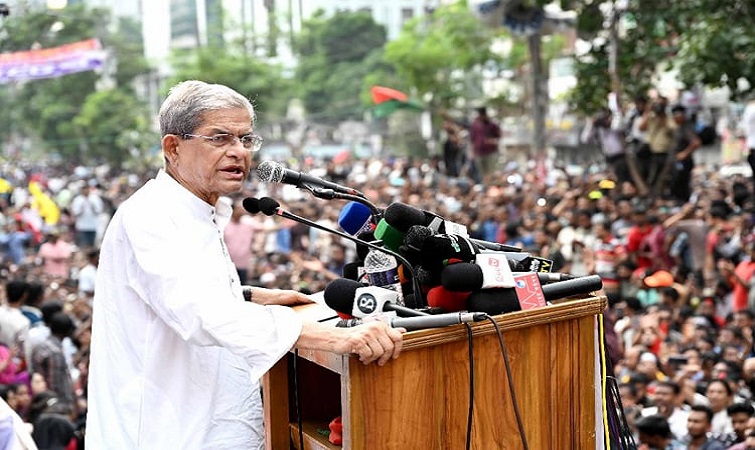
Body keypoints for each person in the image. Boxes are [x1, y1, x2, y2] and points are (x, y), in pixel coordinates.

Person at [85, 80, 404, 449]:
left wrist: (247, 295)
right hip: (168, 434)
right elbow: (200, 313)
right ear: (173, 147)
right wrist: (336, 338)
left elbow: (174, 294)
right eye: (220, 138)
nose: (238, 151)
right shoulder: (153, 215)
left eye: (245, 139)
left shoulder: (196, 210)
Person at [469, 106, 501, 183]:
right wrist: (472, 153)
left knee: (491, 171)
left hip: (491, 152)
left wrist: (492, 141)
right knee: (482, 173)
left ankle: (491, 185)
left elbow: (498, 136)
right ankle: (486, 185)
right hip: (479, 152)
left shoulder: (492, 125)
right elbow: (472, 140)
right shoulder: (475, 125)